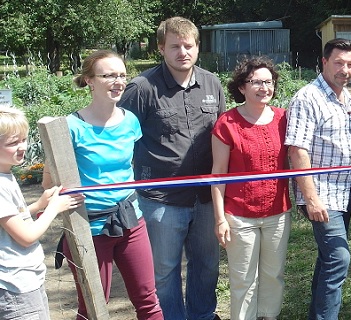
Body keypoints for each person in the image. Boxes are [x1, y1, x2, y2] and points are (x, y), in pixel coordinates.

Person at [117, 16, 226, 319]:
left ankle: (202, 315)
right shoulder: (141, 88)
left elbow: (222, 137)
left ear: (197, 47)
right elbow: (120, 137)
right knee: (163, 272)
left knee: (207, 266)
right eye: (175, 46)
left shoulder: (211, 83)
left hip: (205, 197)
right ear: (161, 48)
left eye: (188, 45)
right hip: (160, 200)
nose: (183, 52)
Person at [45, 50, 163, 319]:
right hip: (90, 227)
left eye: (122, 75)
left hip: (131, 221)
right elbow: (49, 182)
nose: (117, 81)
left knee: (148, 300)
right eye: (108, 75)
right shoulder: (71, 127)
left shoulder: (130, 121)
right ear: (90, 80)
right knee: (93, 306)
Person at [286, 37, 351, 320]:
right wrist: (310, 198)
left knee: (328, 260)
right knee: (338, 257)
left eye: (349, 65)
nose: (344, 70)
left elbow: (350, 146)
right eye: (338, 63)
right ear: (324, 62)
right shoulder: (307, 98)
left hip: (344, 192)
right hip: (322, 195)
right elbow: (297, 150)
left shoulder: (346, 96)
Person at [211, 57, 291, 320]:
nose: (264, 87)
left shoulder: (284, 118)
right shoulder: (227, 123)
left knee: (273, 275)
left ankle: (269, 316)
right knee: (244, 279)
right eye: (256, 82)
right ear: (242, 87)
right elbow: (218, 175)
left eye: (268, 82)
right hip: (239, 216)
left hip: (277, 214)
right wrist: (220, 218)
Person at [0, 106, 83, 320]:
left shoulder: (5, 175)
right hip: (15, 285)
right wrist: (54, 208)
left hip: (21, 281)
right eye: (12, 143)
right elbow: (26, 237)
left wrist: (37, 205)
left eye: (24, 139)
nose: (22, 147)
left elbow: (9, 220)